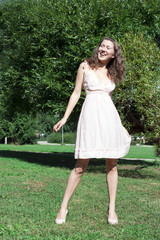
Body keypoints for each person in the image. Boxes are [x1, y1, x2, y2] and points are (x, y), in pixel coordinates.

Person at [53, 37, 131, 225]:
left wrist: (119, 127)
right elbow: (76, 93)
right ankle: (63, 207)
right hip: (89, 118)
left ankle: (111, 208)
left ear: (113, 54)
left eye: (108, 47)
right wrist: (65, 117)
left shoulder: (113, 73)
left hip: (109, 120)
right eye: (101, 45)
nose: (102, 49)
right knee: (80, 165)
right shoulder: (85, 66)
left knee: (112, 163)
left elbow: (108, 102)